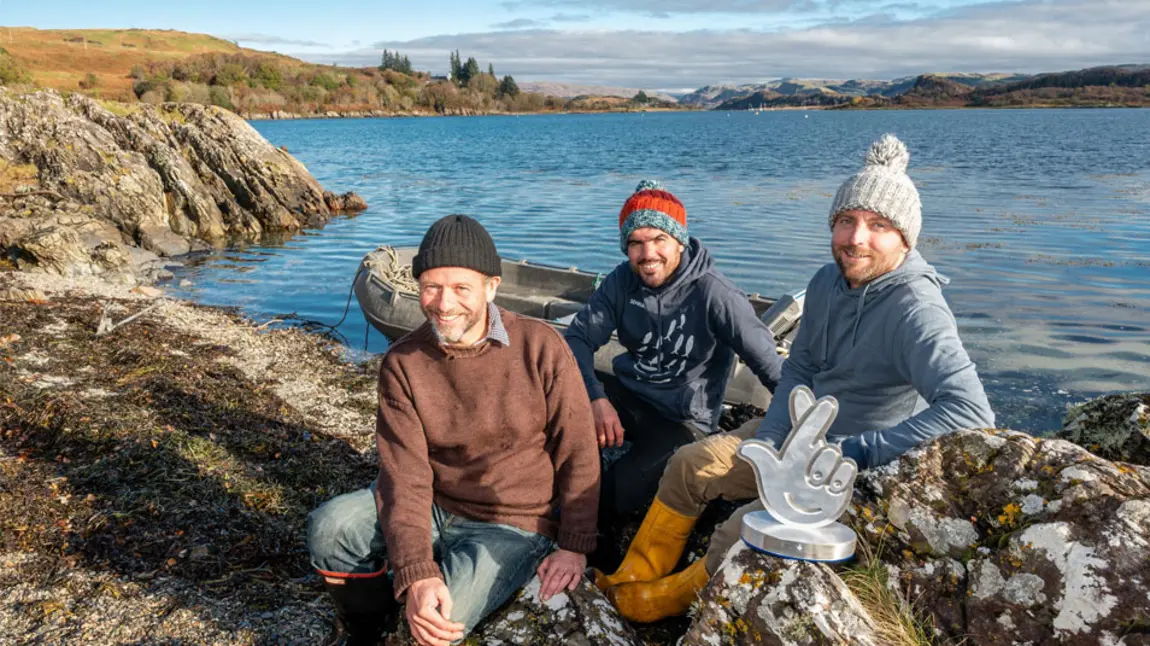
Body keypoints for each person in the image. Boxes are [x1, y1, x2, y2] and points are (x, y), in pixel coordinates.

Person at [597, 134, 996, 623]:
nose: (856, 238)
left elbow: (971, 411)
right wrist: (769, 440)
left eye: (878, 226)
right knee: (688, 464)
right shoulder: (827, 282)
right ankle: (634, 573)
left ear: (905, 238)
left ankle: (671, 601)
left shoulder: (916, 309)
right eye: (846, 221)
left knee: (744, 527)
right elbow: (802, 368)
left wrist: (862, 450)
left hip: (846, 462)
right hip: (796, 437)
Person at [307, 214, 600, 646]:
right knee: (330, 529)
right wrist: (416, 571)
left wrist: (574, 545)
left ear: (491, 287)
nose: (444, 304)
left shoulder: (542, 347)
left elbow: (578, 450)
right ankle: (365, 628)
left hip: (513, 521)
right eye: (431, 286)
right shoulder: (403, 363)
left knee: (444, 623)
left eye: (461, 288)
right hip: (432, 503)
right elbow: (403, 476)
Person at [564, 180, 784, 533]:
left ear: (679, 240)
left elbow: (770, 366)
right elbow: (576, 339)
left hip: (682, 420)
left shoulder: (716, 294)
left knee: (614, 490)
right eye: (635, 243)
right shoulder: (622, 281)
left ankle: (584, 554)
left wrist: (803, 428)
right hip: (629, 395)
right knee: (548, 399)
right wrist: (596, 399)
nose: (647, 254)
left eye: (658, 240)